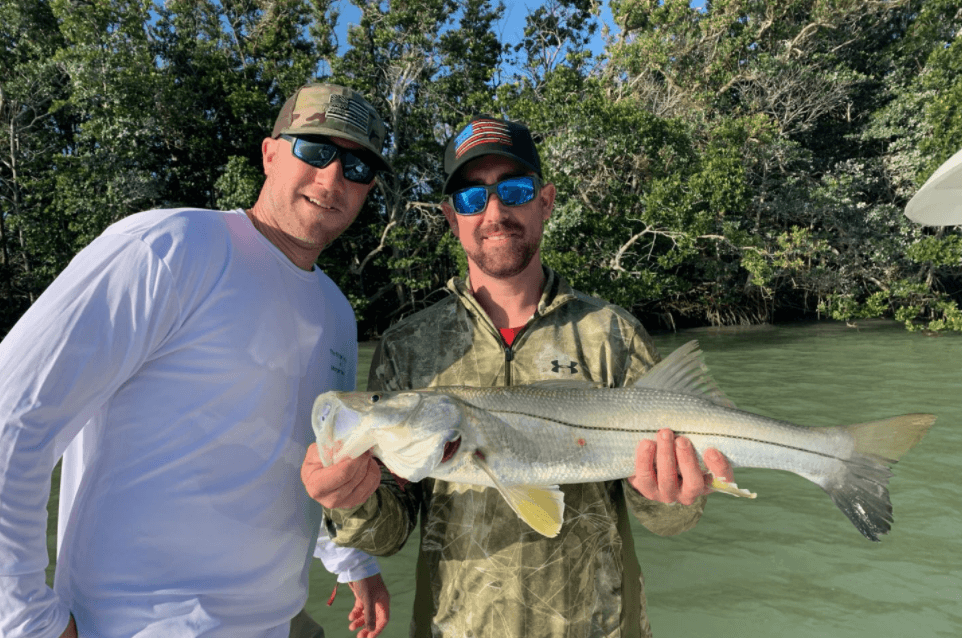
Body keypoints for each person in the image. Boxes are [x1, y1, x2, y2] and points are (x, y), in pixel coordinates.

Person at [300, 115, 735, 637]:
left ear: (546, 201)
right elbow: (388, 533)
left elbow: (669, 516)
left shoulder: (613, 333)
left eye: (515, 190)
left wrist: (673, 497)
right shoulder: (407, 348)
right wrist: (351, 502)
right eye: (471, 198)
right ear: (450, 216)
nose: (496, 211)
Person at [0, 83, 393, 638]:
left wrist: (356, 564)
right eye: (314, 149)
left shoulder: (337, 313)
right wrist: (27, 622)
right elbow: (11, 419)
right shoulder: (169, 247)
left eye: (357, 166)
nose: (333, 179)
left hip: (275, 623)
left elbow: (304, 460)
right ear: (270, 152)